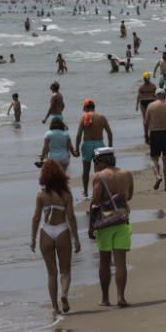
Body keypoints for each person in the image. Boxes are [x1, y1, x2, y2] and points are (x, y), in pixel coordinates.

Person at [30, 160, 80, 315]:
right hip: (62, 231)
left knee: (51, 273)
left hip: (46, 232)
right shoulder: (66, 195)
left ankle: (54, 307)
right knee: (65, 271)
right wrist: (76, 239)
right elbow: (71, 217)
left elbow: (36, 218)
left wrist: (32, 238)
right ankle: (64, 295)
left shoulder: (41, 196)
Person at [89, 147, 134, 308]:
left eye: (95, 161)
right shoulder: (127, 174)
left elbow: (95, 202)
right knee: (121, 262)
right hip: (122, 221)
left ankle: (105, 298)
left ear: (101, 161)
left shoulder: (99, 177)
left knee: (104, 261)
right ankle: (121, 297)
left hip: (105, 223)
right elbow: (129, 196)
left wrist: (91, 227)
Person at [75, 99, 113, 198]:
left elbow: (78, 135)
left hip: (87, 144)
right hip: (99, 144)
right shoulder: (101, 117)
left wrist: (76, 148)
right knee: (99, 171)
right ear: (94, 107)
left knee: (86, 170)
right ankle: (100, 190)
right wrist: (110, 147)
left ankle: (86, 191)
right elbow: (109, 133)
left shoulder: (83, 117)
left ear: (85, 107)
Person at [145, 88, 166, 191]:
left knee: (154, 159)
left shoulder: (151, 106)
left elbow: (146, 123)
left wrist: (146, 135)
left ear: (156, 96)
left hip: (155, 133)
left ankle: (158, 176)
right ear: (165, 95)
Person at [136, 72, 157, 142]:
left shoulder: (141, 87)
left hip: (144, 102)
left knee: (145, 119)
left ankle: (146, 134)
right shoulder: (153, 86)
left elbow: (139, 96)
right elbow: (156, 95)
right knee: (151, 119)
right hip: (151, 102)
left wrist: (136, 105)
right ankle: (150, 133)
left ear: (144, 78)